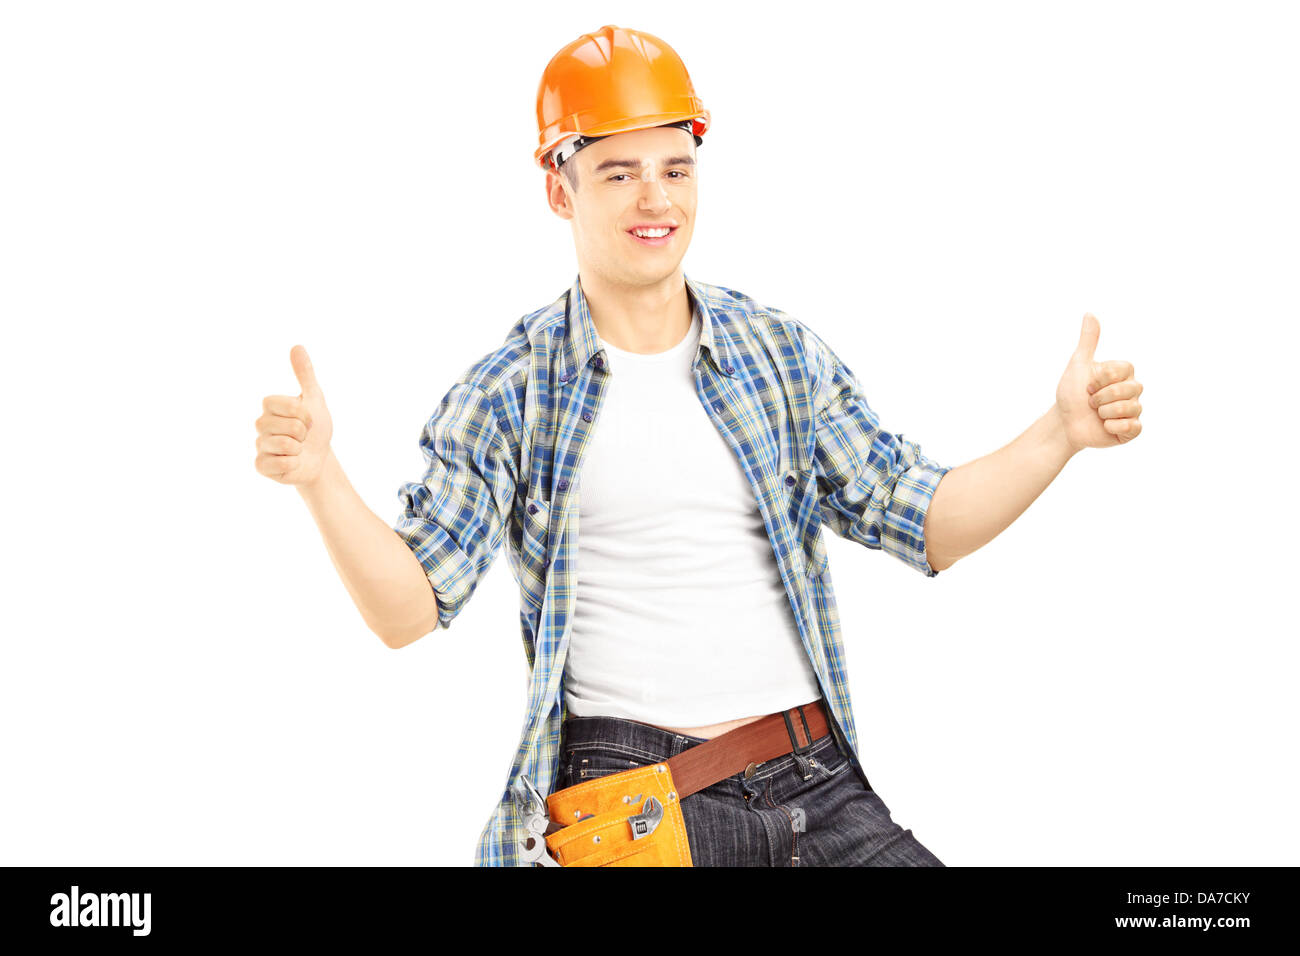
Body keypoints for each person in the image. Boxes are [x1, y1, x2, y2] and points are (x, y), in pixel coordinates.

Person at [253, 25, 1144, 867]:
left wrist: (1060, 434)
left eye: (676, 168)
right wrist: (320, 478)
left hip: (819, 780)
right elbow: (409, 611)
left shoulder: (776, 354)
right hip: (638, 802)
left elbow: (924, 521)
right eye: (618, 173)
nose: (656, 198)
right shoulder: (511, 390)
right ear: (557, 188)